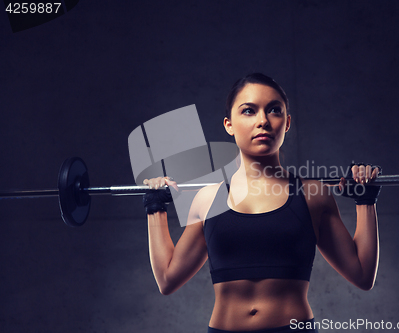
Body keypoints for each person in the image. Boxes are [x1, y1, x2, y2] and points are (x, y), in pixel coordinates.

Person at [143, 73, 381, 333]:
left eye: (274, 110)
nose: (263, 121)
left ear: (287, 122)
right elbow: (167, 280)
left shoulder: (314, 195)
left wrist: (365, 200)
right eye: (248, 111)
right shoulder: (208, 198)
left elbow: (362, 275)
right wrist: (155, 208)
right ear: (229, 124)